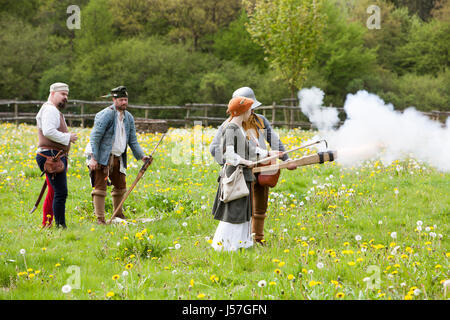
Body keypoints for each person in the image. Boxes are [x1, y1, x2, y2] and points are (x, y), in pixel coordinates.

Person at [210, 87, 297, 245]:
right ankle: (242, 241)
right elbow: (215, 149)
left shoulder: (260, 121)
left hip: (263, 167)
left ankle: (258, 239)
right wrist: (232, 165)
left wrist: (286, 159)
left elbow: (274, 141)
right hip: (243, 171)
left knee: (260, 206)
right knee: (243, 206)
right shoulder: (229, 125)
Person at [88, 86, 151, 224]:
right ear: (114, 100)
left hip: (118, 157)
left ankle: (118, 215)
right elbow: (95, 137)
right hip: (102, 156)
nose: (124, 102)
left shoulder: (128, 117)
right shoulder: (107, 114)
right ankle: (100, 219)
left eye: (126, 99)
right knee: (100, 188)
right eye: (121, 100)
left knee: (121, 186)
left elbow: (132, 140)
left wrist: (141, 156)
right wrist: (93, 157)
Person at [35, 82, 78, 228]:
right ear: (53, 93)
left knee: (53, 192)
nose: (65, 97)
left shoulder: (51, 109)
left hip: (53, 155)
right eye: (63, 94)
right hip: (51, 156)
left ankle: (47, 223)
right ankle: (60, 226)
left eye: (67, 94)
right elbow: (48, 131)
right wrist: (68, 137)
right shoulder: (50, 110)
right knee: (61, 192)